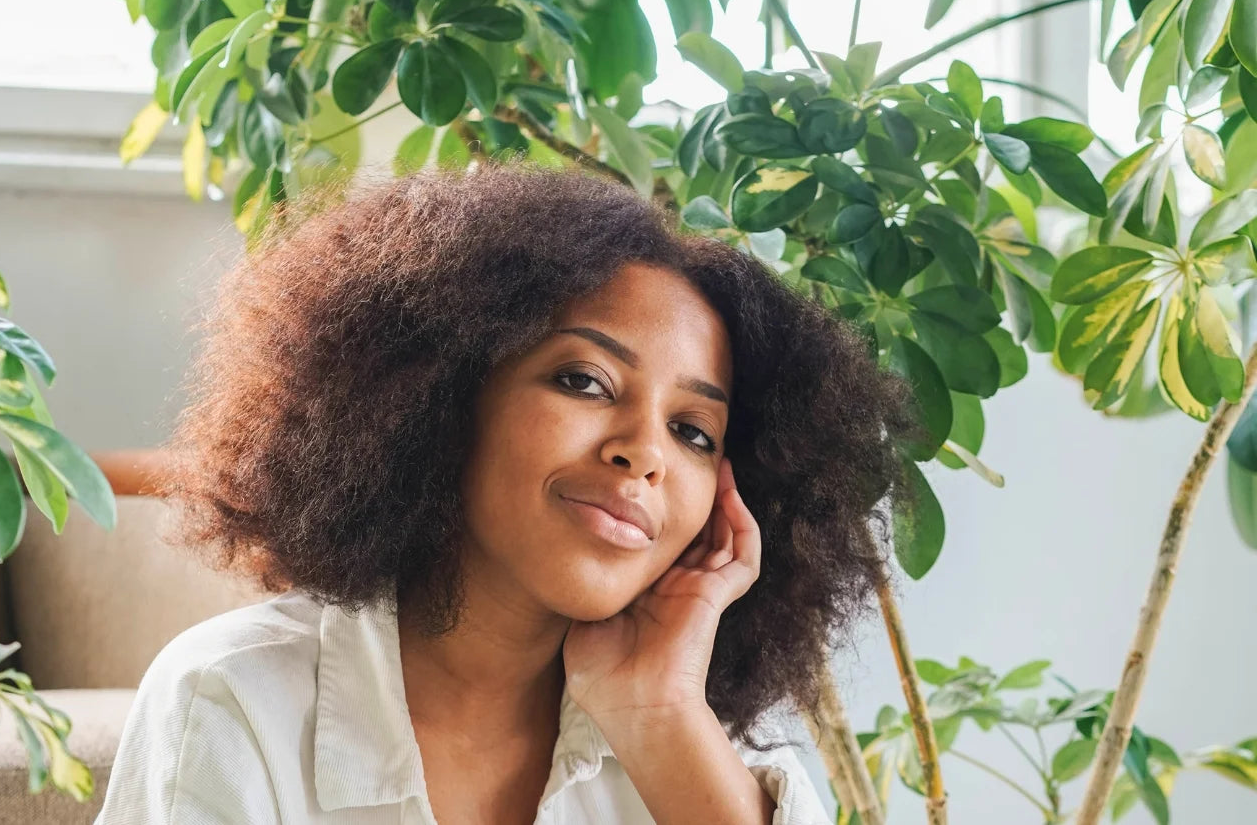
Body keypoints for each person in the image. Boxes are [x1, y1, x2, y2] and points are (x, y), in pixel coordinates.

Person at [94, 165, 917, 824]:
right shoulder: (234, 699)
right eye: (584, 381)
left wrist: (659, 712)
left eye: (695, 432)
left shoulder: (679, 748)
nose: (645, 453)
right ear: (442, 396)